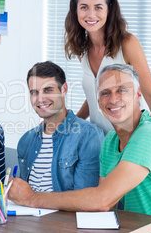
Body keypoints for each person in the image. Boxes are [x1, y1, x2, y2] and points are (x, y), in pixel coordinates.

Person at [8, 64, 151, 233]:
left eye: (121, 90)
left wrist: (31, 198)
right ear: (97, 101)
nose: (113, 99)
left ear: (138, 94)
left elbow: (101, 200)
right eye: (105, 93)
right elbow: (104, 204)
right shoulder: (111, 141)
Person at [64, 0, 151, 134]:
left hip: (132, 137)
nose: (91, 14)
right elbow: (97, 94)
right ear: (75, 11)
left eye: (98, 7)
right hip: (100, 140)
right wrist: (70, 122)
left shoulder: (127, 43)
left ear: (109, 10)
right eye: (84, 7)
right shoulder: (83, 50)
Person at [17, 61, 103, 192]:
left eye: (48, 90)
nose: (40, 99)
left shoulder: (88, 136)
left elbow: (86, 200)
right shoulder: (26, 140)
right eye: (34, 92)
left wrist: (32, 199)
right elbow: (22, 193)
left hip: (64, 213)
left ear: (64, 89)